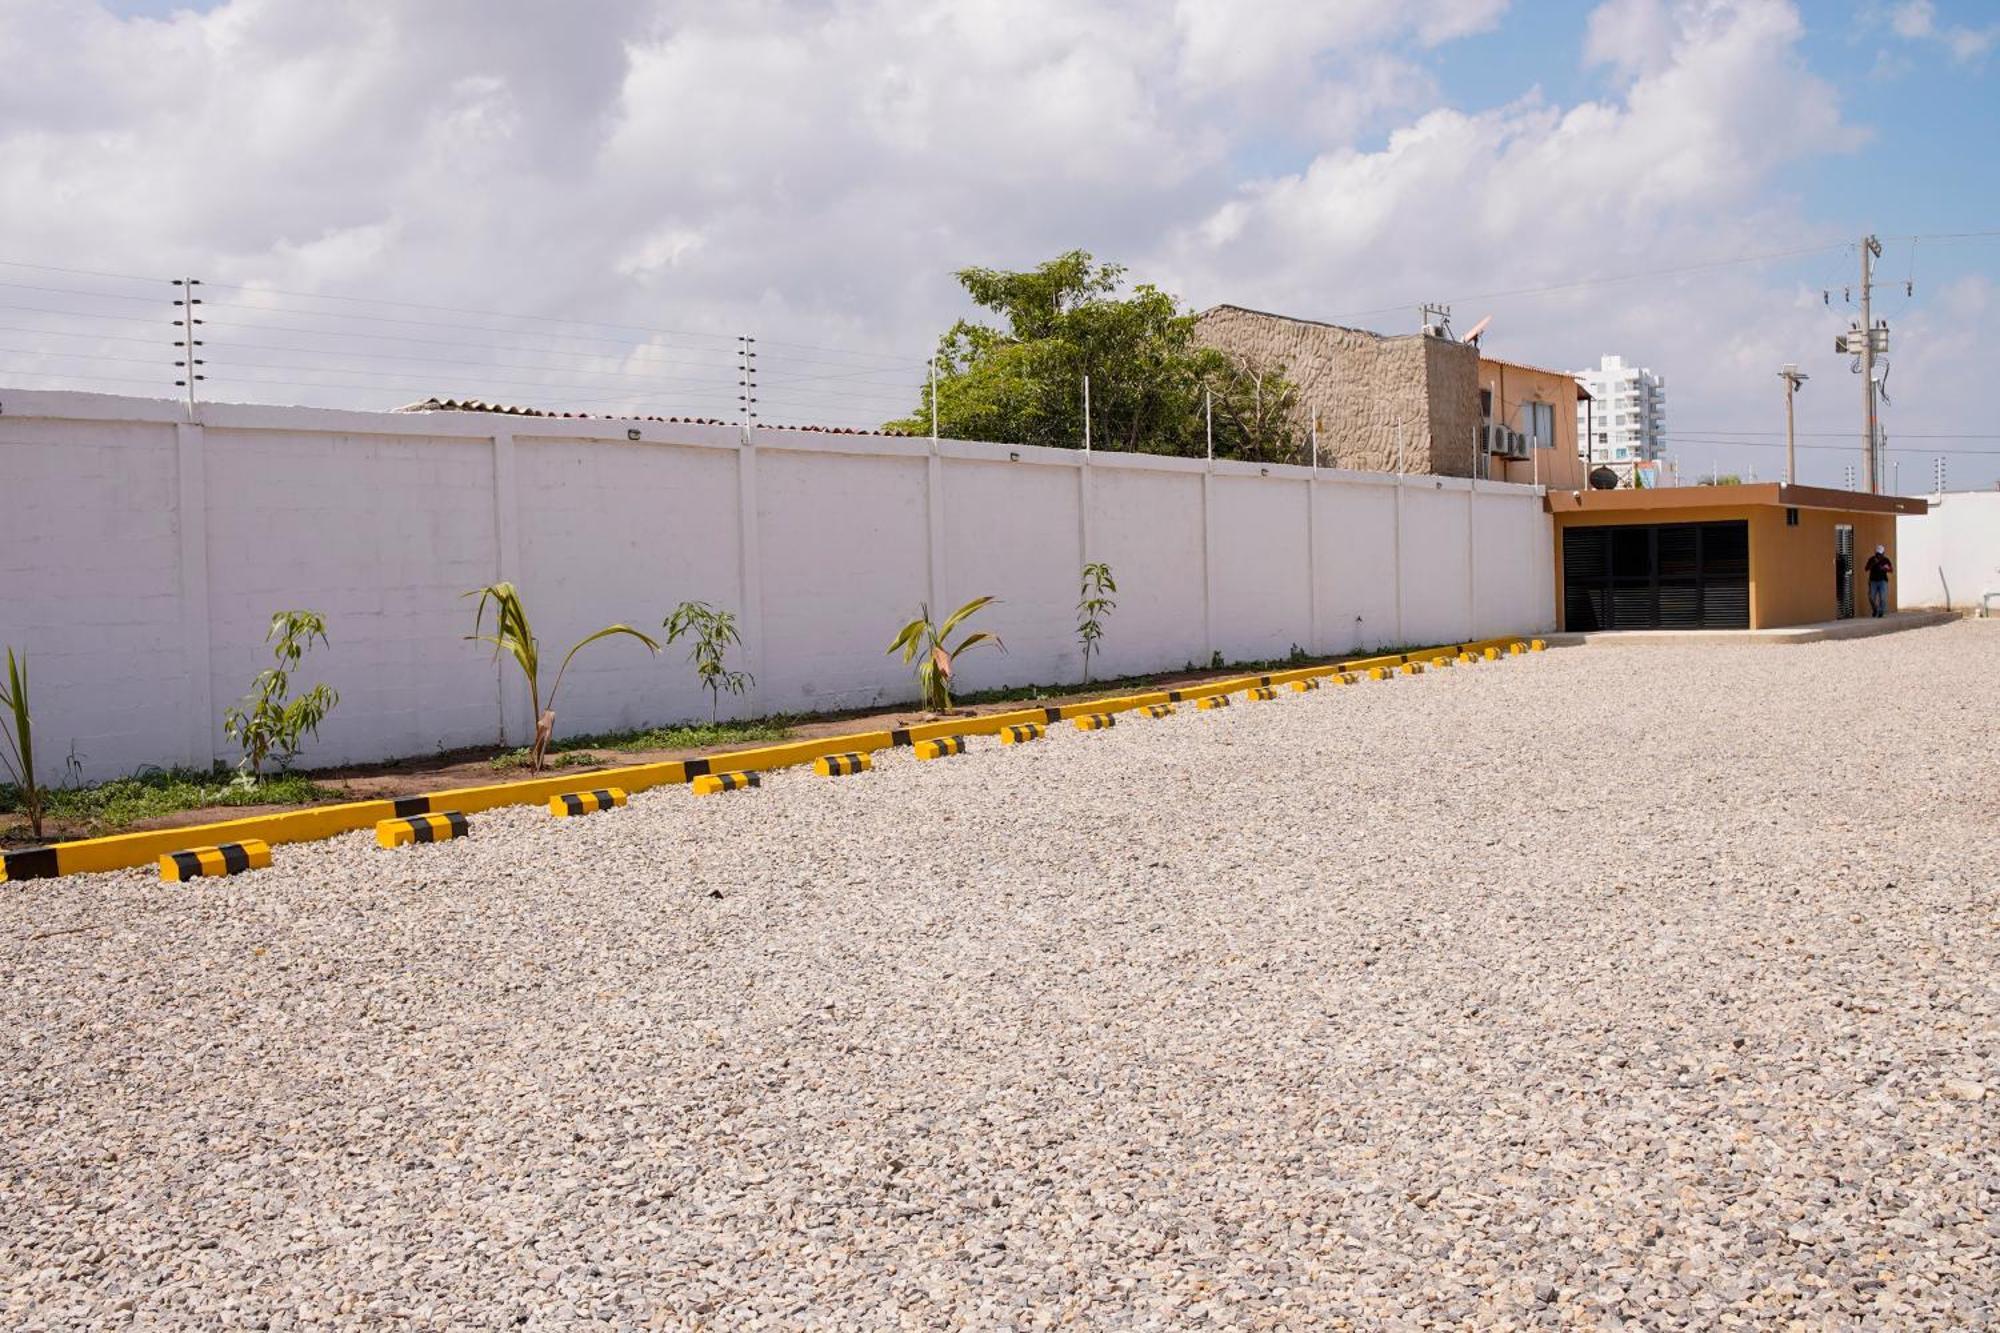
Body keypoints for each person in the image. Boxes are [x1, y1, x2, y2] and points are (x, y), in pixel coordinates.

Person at [1864, 544, 1893, 618]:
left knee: (1883, 598)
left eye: (1880, 554)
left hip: (1883, 581)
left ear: (1883, 553)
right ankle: (1875, 609)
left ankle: (1881, 612)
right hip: (1873, 581)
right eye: (1877, 554)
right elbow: (1866, 569)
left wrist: (1885, 569)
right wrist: (1874, 563)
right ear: (1875, 553)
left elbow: (1891, 570)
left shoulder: (1886, 560)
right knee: (1871, 597)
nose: (1878, 555)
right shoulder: (1871, 559)